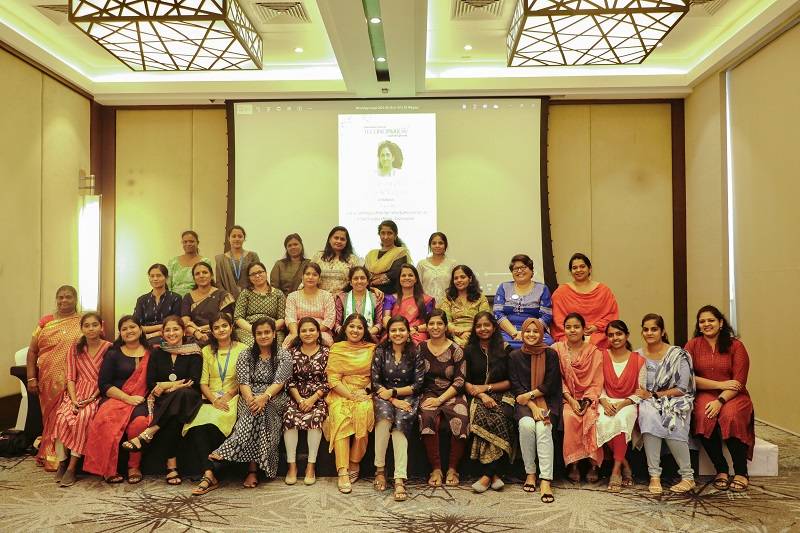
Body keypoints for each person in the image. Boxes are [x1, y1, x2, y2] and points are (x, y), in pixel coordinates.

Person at [121, 316, 203, 486]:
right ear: (162, 333)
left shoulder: (194, 351)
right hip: (166, 400)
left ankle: (149, 433)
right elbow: (151, 382)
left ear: (183, 331)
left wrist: (167, 387)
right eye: (168, 330)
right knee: (172, 416)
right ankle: (171, 467)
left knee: (181, 395)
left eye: (175, 329)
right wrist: (172, 386)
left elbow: (192, 380)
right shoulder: (157, 352)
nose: (172, 333)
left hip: (189, 398)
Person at [209, 317, 291, 487]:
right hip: (249, 396)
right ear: (253, 335)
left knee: (263, 410)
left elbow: (280, 382)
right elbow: (243, 382)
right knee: (256, 412)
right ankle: (254, 471)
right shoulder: (245, 354)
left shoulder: (283, 354)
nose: (263, 336)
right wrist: (251, 399)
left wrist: (264, 397)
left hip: (275, 397)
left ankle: (231, 449)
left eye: (267, 332)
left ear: (275, 334)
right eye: (259, 333)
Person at [685, 305, 754, 493]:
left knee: (730, 415)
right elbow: (687, 377)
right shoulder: (692, 345)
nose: (706, 324)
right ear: (698, 326)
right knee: (702, 414)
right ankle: (721, 469)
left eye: (711, 320)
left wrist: (720, 400)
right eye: (702, 321)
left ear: (721, 323)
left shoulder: (736, 346)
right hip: (706, 392)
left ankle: (741, 472)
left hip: (734, 396)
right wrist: (719, 385)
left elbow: (738, 381)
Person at [83, 315, 151, 484]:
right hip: (117, 398)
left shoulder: (152, 352)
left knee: (140, 422)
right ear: (120, 333)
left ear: (140, 329)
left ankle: (133, 466)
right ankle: (107, 468)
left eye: (132, 327)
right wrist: (127, 398)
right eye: (124, 329)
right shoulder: (113, 354)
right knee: (106, 419)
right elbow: (104, 384)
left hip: (142, 400)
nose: (129, 331)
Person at [185, 313, 246, 496]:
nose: (221, 330)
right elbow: (202, 382)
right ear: (211, 331)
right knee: (197, 423)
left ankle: (209, 474)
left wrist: (228, 395)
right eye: (217, 327)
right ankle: (210, 473)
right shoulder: (206, 351)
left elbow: (244, 378)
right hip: (210, 398)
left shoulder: (243, 348)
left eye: (224, 326)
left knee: (217, 420)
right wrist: (213, 399)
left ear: (231, 327)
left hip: (233, 396)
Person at [636, 313, 696, 494]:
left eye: (654, 329)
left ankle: (688, 477)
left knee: (673, 418)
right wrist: (649, 397)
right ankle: (654, 476)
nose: (649, 333)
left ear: (663, 331)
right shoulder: (637, 355)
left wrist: (655, 394)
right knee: (648, 414)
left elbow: (682, 388)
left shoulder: (677, 354)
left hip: (675, 399)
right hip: (648, 400)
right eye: (645, 329)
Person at [51, 312, 112, 487]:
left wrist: (93, 397)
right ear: (82, 328)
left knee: (84, 418)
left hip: (97, 392)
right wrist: (74, 399)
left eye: (94, 325)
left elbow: (108, 378)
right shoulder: (75, 347)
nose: (91, 328)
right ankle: (62, 462)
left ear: (101, 326)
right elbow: (70, 377)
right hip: (75, 392)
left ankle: (72, 466)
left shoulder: (109, 347)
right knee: (62, 417)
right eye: (87, 325)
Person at [26, 285, 82, 471]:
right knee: (51, 416)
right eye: (60, 297)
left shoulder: (83, 321)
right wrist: (31, 378)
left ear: (75, 299)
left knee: (68, 416)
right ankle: (52, 456)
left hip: (77, 379)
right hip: (49, 378)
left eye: (68, 297)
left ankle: (68, 456)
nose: (64, 301)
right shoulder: (45, 322)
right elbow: (33, 351)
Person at [371, 316, 424, 502]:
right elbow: (375, 381)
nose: (397, 334)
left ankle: (399, 477)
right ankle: (379, 469)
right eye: (393, 330)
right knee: (384, 419)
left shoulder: (415, 352)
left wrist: (395, 393)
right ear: (388, 333)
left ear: (408, 332)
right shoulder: (380, 350)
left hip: (408, 395)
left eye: (402, 330)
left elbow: (418, 384)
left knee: (400, 423)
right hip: (383, 395)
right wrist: (393, 399)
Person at [323, 314, 377, 494]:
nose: (355, 330)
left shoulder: (372, 348)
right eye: (352, 326)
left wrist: (366, 391)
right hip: (341, 392)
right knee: (340, 417)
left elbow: (377, 376)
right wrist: (351, 396)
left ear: (365, 331)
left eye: (360, 327)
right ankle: (343, 471)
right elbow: (333, 379)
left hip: (364, 392)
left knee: (364, 413)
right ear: (345, 328)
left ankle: (355, 461)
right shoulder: (337, 349)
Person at [509, 318, 561, 504]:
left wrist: (532, 398)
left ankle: (546, 479)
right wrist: (531, 405)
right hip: (525, 403)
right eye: (527, 331)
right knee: (526, 425)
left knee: (543, 428)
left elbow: (550, 385)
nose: (531, 334)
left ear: (542, 334)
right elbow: (516, 386)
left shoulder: (551, 354)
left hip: (548, 400)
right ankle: (530, 473)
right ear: (522, 333)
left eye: (535, 331)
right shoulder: (514, 356)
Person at [464, 312, 516, 493]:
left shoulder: (505, 348)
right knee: (480, 416)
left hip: (502, 393)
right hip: (477, 396)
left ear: (494, 327)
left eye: (487, 325)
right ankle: (494, 475)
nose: (483, 329)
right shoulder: (469, 350)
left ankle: (487, 475)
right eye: (479, 326)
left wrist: (487, 389)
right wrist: (481, 395)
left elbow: (510, 381)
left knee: (502, 416)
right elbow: (465, 380)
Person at [418, 309, 469, 488]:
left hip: (452, 393)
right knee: (427, 417)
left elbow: (460, 380)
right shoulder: (421, 348)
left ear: (446, 326)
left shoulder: (456, 349)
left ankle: (453, 469)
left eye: (439, 323)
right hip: (428, 392)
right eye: (431, 323)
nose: (435, 327)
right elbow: (417, 377)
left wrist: (441, 400)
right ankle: (437, 468)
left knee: (461, 417)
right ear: (427, 326)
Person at [553, 312, 603, 483]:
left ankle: (593, 464)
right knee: (569, 417)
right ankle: (573, 463)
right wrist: (572, 400)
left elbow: (597, 381)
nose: (572, 330)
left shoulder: (594, 352)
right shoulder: (557, 349)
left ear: (584, 329)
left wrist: (587, 401)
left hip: (590, 397)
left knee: (592, 417)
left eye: (576, 327)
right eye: (568, 327)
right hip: (566, 397)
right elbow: (556, 378)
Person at [595, 320, 644, 492]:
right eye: (611, 335)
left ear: (627, 335)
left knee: (622, 421)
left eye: (619, 334)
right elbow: (596, 383)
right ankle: (626, 465)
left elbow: (641, 391)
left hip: (628, 402)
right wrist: (603, 400)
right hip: (606, 400)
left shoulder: (638, 360)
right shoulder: (601, 355)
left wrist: (624, 403)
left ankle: (616, 470)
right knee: (600, 420)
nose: (615, 338)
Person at [283, 317, 329, 486]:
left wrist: (312, 399)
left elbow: (328, 381)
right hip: (296, 396)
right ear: (299, 333)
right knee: (289, 416)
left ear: (318, 332)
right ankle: (292, 466)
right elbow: (288, 379)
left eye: (312, 330)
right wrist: (300, 399)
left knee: (315, 418)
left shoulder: (326, 352)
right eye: (304, 330)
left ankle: (311, 465)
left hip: (318, 396)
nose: (308, 333)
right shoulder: (291, 352)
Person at [551, 253, 619, 350]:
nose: (578, 270)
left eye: (582, 266)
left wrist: (596, 327)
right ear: (571, 271)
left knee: (604, 340)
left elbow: (612, 315)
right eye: (574, 268)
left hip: (598, 333)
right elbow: (558, 319)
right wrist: (576, 331)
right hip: (570, 334)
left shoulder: (604, 291)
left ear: (590, 269)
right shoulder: (561, 292)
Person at [494, 254, 553, 349]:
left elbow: (546, 316)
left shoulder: (542, 288)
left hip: (534, 332)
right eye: (515, 268)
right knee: (498, 343)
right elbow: (498, 314)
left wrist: (528, 332)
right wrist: (514, 333)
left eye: (523, 267)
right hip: (507, 332)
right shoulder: (504, 287)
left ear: (531, 270)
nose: (519, 271)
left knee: (548, 343)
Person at [181, 261, 235, 347]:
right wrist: (196, 333)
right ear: (194, 278)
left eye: (205, 272)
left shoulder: (222, 295)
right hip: (194, 336)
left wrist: (200, 329)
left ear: (211, 275)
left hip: (219, 333)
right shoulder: (187, 297)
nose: (201, 275)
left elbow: (227, 320)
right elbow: (185, 322)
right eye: (197, 274)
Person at [234, 262, 286, 348]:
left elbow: (282, 318)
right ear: (249, 278)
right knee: (252, 345)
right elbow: (238, 317)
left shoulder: (278, 293)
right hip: (249, 330)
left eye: (260, 272)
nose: (257, 276)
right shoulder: (245, 293)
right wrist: (253, 329)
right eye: (253, 274)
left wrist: (269, 330)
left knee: (275, 346)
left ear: (266, 273)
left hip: (272, 329)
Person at [284, 262, 336, 347]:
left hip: (321, 332)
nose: (310, 277)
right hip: (297, 331)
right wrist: (298, 333)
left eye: (314, 275)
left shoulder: (327, 296)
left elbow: (330, 319)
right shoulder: (292, 296)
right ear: (302, 277)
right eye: (307, 274)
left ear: (319, 279)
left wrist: (313, 332)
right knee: (286, 347)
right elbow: (290, 318)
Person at [383, 264, 435, 345]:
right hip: (395, 332)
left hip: (417, 333)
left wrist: (415, 328)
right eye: (403, 275)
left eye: (410, 275)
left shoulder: (426, 300)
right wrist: (397, 330)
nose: (407, 278)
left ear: (416, 279)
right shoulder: (390, 298)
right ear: (399, 279)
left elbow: (431, 322)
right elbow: (386, 318)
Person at [440, 265, 491, 347]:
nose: (459, 280)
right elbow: (446, 322)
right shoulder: (448, 299)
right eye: (456, 278)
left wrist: (470, 332)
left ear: (470, 279)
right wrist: (460, 333)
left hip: (477, 333)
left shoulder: (480, 298)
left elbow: (484, 321)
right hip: (453, 335)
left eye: (462, 277)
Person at [133, 263, 182, 346]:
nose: (155, 279)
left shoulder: (175, 298)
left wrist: (155, 333)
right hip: (144, 336)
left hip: (168, 337)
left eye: (159, 275)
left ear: (166, 278)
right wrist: (159, 328)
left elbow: (176, 324)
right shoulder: (142, 300)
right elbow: (137, 326)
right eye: (152, 276)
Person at [334, 266, 384, 340]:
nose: (359, 281)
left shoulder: (376, 298)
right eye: (355, 278)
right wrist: (347, 333)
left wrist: (366, 333)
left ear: (367, 282)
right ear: (350, 282)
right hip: (346, 338)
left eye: (362, 278)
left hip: (369, 338)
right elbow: (336, 323)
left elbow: (379, 323)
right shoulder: (342, 298)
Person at [311, 226, 363, 294]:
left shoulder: (352, 259)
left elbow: (358, 280)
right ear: (329, 239)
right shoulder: (318, 256)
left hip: (342, 299)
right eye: (336, 238)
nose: (339, 241)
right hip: (320, 298)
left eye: (342, 239)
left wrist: (342, 293)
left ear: (346, 242)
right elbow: (308, 276)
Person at [365, 220, 411, 295]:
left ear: (395, 235)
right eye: (383, 233)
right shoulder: (371, 253)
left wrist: (372, 281)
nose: (386, 237)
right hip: (370, 293)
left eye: (389, 233)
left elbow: (395, 274)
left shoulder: (400, 252)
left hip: (390, 296)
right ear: (379, 234)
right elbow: (364, 274)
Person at [215, 225, 260, 299]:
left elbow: (257, 277)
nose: (237, 239)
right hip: (228, 299)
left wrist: (250, 294)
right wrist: (226, 296)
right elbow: (219, 283)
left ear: (244, 238)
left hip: (250, 297)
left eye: (240, 236)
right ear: (228, 238)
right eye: (234, 236)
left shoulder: (252, 256)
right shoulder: (221, 259)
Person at [416, 232, 457, 304]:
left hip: (447, 305)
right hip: (426, 305)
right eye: (434, 243)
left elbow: (455, 286)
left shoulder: (452, 264)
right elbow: (417, 286)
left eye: (440, 243)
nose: (437, 246)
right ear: (430, 245)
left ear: (445, 245)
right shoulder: (422, 264)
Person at [167, 230, 211, 297]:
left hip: (197, 299)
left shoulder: (205, 261)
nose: (188, 244)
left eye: (191, 241)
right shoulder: (173, 262)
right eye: (185, 242)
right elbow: (168, 285)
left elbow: (208, 283)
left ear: (197, 243)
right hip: (175, 300)